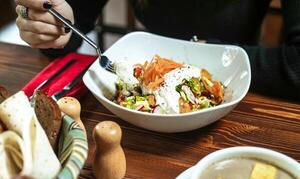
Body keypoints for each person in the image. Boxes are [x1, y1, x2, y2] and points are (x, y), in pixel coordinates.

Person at [15, 0, 300, 101]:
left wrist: (207, 55)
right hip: (136, 105)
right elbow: (73, 23)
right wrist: (51, 27)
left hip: (238, 92)